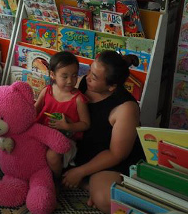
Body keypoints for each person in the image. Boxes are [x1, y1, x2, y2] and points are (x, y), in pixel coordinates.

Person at [61, 50, 144, 212]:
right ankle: (88, 184)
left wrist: (80, 171)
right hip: (82, 150)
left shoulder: (126, 108)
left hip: (109, 162)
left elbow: (116, 154)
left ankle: (92, 183)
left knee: (106, 200)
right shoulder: (85, 82)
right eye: (90, 71)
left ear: (112, 86)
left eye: (95, 77)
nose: (88, 77)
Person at [34, 51, 90, 180]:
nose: (70, 81)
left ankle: (56, 180)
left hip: (66, 139)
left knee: (52, 156)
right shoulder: (47, 91)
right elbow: (34, 111)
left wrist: (67, 126)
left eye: (74, 75)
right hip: (43, 134)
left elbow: (86, 124)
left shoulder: (78, 99)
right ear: (53, 75)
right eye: (64, 76)